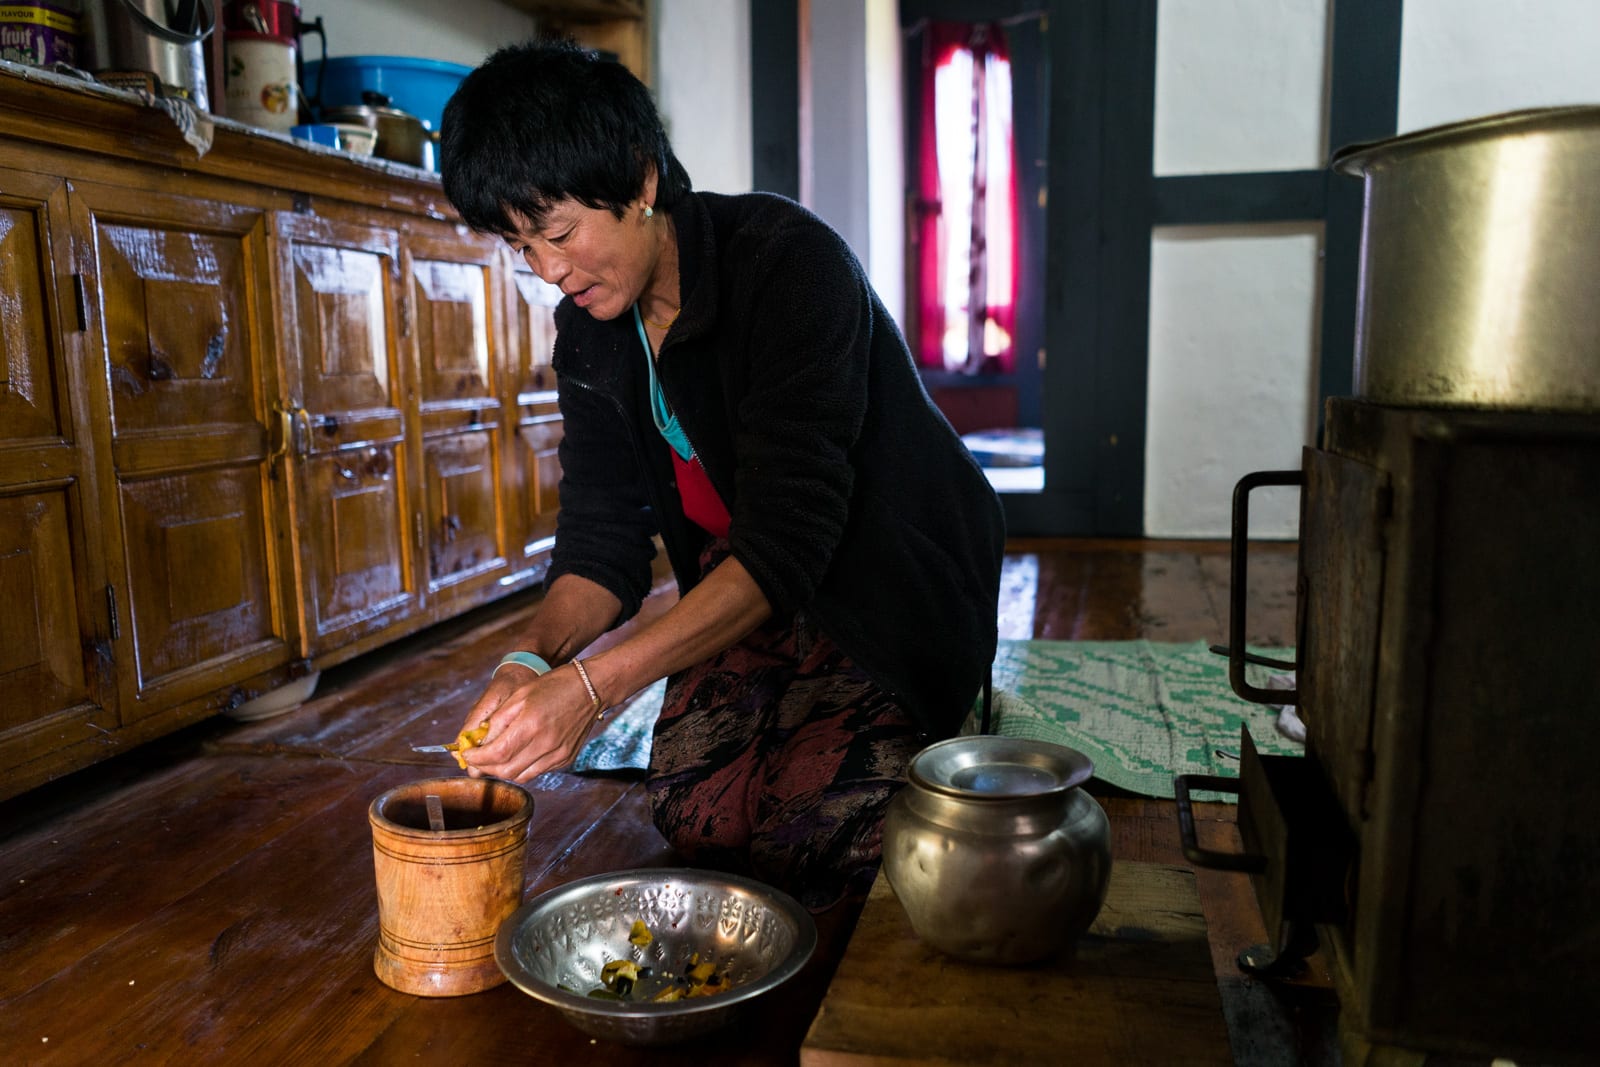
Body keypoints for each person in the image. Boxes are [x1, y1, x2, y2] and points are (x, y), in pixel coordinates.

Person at [438, 38, 1005, 911]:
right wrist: (530, 657)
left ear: (640, 178)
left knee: (811, 836)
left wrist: (592, 689)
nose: (550, 269)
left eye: (558, 232)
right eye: (522, 245)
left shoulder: (786, 264)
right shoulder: (592, 330)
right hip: (757, 589)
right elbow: (600, 539)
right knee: (699, 817)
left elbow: (785, 545)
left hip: (889, 585)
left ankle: (928, 710)